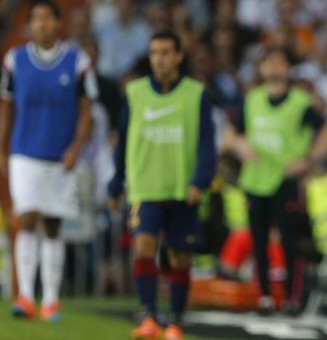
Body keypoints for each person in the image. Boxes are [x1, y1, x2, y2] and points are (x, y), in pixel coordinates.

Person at [107, 31, 215, 340]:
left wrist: (201, 180)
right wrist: (116, 181)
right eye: (155, 53)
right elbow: (123, 140)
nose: (160, 58)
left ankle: (176, 322)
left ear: (179, 56)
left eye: (167, 52)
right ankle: (149, 317)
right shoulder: (135, 92)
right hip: (145, 185)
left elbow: (207, 142)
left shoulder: (196, 94)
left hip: (183, 186)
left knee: (180, 256)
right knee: (144, 247)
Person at [0, 0, 97, 321]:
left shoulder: (77, 61)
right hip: (24, 152)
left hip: (60, 156)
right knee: (26, 219)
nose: (41, 24)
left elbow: (86, 111)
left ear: (59, 23)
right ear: (30, 25)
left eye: (47, 18)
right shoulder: (15, 60)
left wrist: (76, 148)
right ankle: (26, 296)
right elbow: (7, 108)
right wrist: (2, 148)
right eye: (36, 19)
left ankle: (51, 299)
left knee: (53, 225)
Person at [227, 47, 327, 314]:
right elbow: (230, 135)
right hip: (255, 180)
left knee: (288, 240)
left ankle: (291, 298)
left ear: (289, 69)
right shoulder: (252, 99)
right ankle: (264, 297)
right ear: (261, 69)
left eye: (280, 62)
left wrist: (308, 160)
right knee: (259, 240)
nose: (275, 67)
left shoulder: (300, 102)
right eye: (269, 62)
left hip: (283, 181)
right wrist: (239, 145)